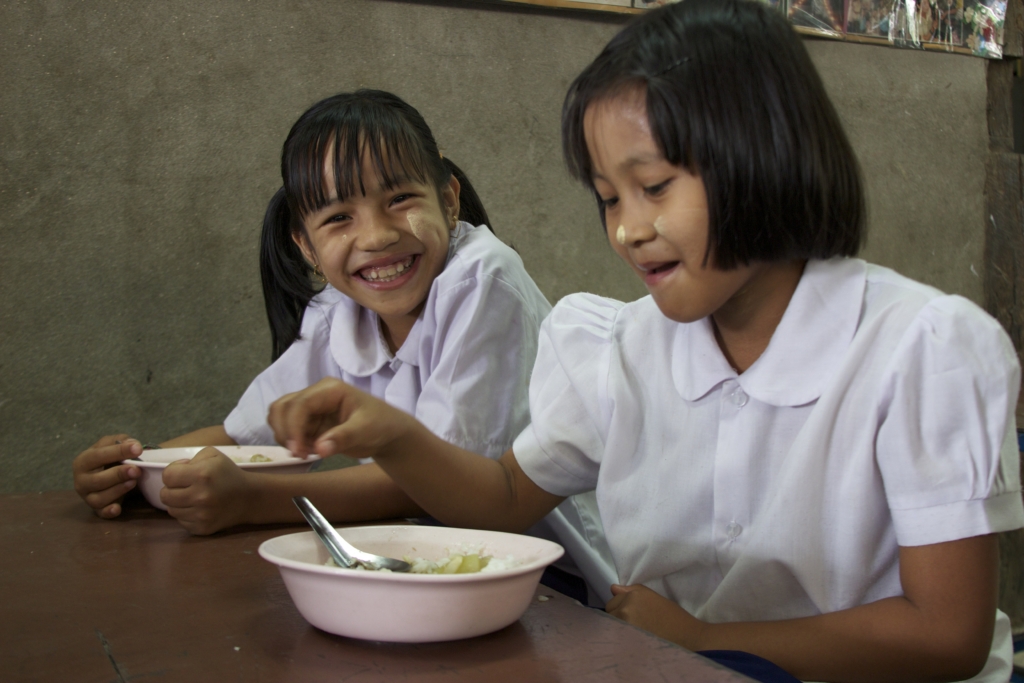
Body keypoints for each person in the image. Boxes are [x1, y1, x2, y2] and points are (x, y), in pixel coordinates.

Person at [263, 3, 1023, 682]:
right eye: (608, 198)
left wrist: (706, 639)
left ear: (767, 156)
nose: (627, 229)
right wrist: (392, 434)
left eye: (654, 187)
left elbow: (945, 634)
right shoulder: (621, 347)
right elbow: (505, 499)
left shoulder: (919, 349)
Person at [71, 89, 615, 603]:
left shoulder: (481, 279)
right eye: (338, 219)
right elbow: (244, 436)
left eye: (399, 199)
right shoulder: (338, 314)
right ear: (306, 246)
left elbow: (440, 486)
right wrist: (137, 472)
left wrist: (253, 500)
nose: (376, 236)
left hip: (549, 574)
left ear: (449, 200)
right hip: (433, 560)